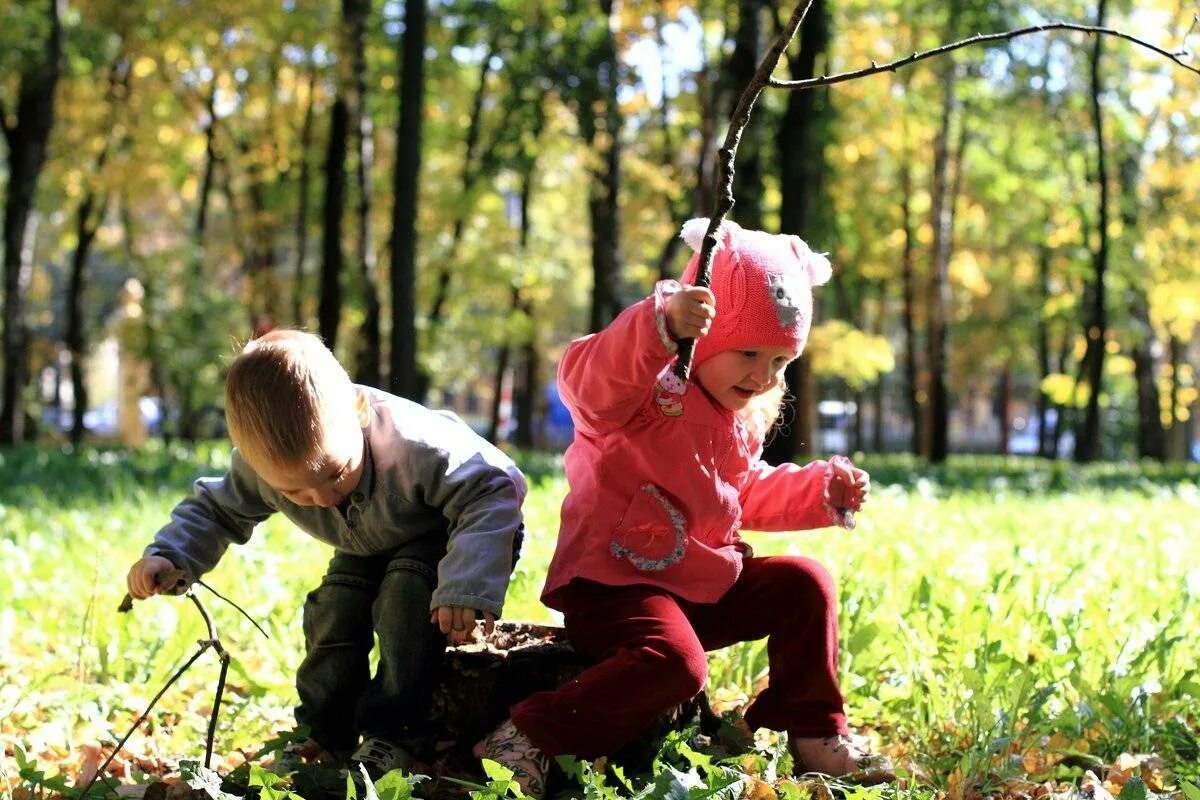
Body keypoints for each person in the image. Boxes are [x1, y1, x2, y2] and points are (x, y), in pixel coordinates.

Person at [474, 219, 892, 796]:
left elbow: (741, 495)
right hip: (615, 587)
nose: (763, 376)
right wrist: (658, 327)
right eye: (748, 352)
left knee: (805, 583)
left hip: (696, 588)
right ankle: (529, 736)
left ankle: (811, 732)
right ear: (706, 332)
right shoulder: (643, 395)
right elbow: (585, 379)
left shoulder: (735, 418)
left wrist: (819, 492)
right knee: (677, 665)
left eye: (779, 361)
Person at [126, 330, 527, 778]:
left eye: (336, 473)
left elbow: (496, 487)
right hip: (368, 539)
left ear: (358, 412)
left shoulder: (416, 447)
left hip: (454, 535)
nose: (320, 497)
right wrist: (170, 555)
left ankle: (395, 735)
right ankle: (323, 734)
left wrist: (467, 581)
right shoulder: (269, 469)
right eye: (293, 491)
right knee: (332, 611)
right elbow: (215, 511)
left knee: (403, 600)